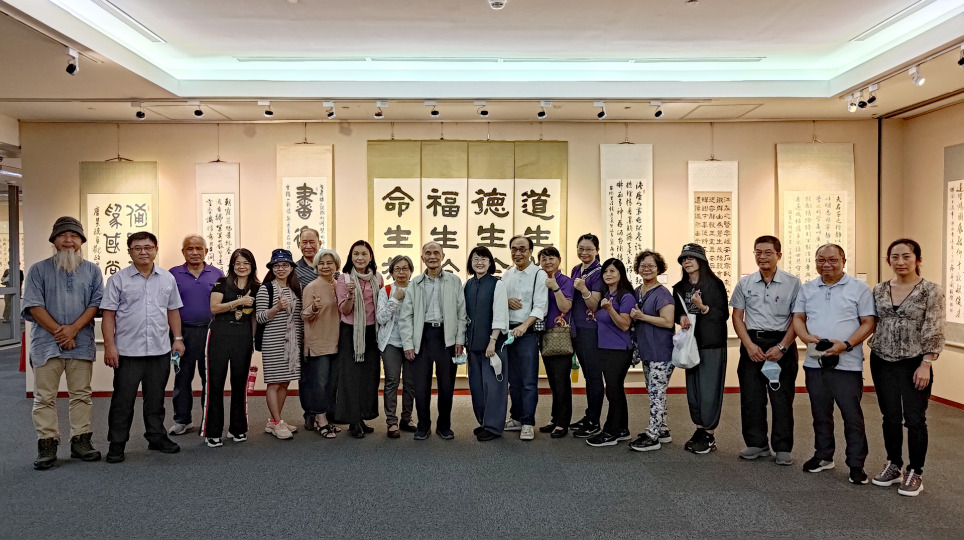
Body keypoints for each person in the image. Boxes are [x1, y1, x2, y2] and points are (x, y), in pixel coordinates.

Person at [23, 217, 103, 470]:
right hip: (45, 344)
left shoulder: (92, 271)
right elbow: (33, 305)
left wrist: (73, 330)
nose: (69, 240)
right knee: (44, 397)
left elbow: (95, 304)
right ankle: (47, 444)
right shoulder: (38, 270)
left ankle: (81, 441)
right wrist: (61, 333)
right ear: (54, 240)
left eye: (74, 236)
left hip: (81, 342)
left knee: (81, 395)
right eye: (63, 235)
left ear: (81, 241)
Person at [792, 243, 876, 485]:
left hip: (847, 364)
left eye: (832, 260)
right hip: (815, 362)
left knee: (852, 415)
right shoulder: (808, 288)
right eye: (821, 260)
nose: (826, 264)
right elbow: (798, 317)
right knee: (820, 412)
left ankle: (856, 464)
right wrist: (806, 337)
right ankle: (823, 455)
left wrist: (847, 344)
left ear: (843, 261)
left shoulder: (859, 288)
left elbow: (868, 322)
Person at [868, 239, 944, 496]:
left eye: (906, 256)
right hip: (882, 359)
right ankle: (894, 464)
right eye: (894, 257)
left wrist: (926, 363)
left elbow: (934, 328)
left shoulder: (930, 291)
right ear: (888, 260)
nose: (900, 262)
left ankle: (915, 471)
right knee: (889, 416)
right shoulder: (879, 289)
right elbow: (872, 322)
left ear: (917, 259)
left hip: (915, 361)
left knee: (915, 418)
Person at [102, 232, 185, 463]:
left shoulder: (167, 278)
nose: (143, 252)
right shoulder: (118, 280)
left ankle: (156, 436)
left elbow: (172, 310)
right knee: (123, 401)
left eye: (148, 247)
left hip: (159, 350)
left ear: (156, 249)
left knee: (156, 399)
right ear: (129, 252)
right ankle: (117, 443)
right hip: (128, 352)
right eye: (137, 248)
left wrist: (178, 339)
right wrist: (109, 346)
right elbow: (108, 315)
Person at [730, 236, 801, 465]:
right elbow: (737, 317)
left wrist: (782, 347)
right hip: (752, 344)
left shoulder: (793, 283)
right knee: (751, 397)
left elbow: (798, 318)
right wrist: (749, 346)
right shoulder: (745, 283)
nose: (762, 257)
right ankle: (756, 443)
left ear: (778, 255)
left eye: (768, 252)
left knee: (782, 399)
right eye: (758, 252)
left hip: (782, 345)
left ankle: (783, 447)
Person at [397, 241, 467, 441]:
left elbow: (462, 313)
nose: (432, 256)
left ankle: (444, 425)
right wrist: (408, 344)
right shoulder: (415, 283)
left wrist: (459, 339)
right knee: (421, 386)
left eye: (436, 252)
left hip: (447, 337)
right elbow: (406, 317)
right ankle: (423, 425)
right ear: (422, 258)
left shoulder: (454, 281)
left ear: (443, 256)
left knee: (446, 385)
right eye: (428, 253)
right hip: (422, 337)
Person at [672, 243, 729, 455]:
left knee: (709, 390)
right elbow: (677, 312)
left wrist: (703, 307)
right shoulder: (680, 287)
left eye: (691, 258)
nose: (686, 262)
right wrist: (681, 317)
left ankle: (709, 433)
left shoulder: (714, 284)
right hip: (691, 344)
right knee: (694, 391)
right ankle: (699, 429)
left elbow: (722, 315)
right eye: (683, 259)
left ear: (701, 261)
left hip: (711, 344)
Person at [201, 248, 260, 447]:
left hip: (243, 338)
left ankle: (238, 428)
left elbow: (254, 317)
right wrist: (238, 302)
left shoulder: (257, 287)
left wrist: (252, 339)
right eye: (238, 263)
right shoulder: (222, 283)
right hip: (219, 335)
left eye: (246, 263)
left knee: (240, 383)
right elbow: (214, 308)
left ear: (252, 266)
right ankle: (212, 431)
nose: (242, 267)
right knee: (215, 384)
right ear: (232, 265)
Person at [168, 235, 224, 436]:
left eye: (199, 248)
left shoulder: (217, 274)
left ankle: (209, 420)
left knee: (210, 378)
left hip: (211, 332)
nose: (194, 252)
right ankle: (182, 420)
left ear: (206, 251)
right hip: (182, 334)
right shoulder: (173, 274)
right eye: (190, 249)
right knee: (182, 377)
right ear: (183, 252)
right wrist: (176, 337)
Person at [627, 250, 676, 452]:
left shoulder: (663, 294)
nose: (647, 269)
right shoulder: (638, 291)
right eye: (643, 266)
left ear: (659, 269)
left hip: (661, 351)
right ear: (638, 268)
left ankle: (652, 436)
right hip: (647, 350)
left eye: (651, 266)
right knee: (655, 391)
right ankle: (662, 430)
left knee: (656, 393)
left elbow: (668, 321)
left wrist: (642, 317)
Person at [335, 240, 384, 439]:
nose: (360, 258)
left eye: (364, 254)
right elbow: (344, 310)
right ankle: (353, 421)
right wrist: (350, 296)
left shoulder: (377, 278)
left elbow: (381, 306)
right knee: (351, 377)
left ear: (370, 257)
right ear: (351, 257)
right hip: (351, 332)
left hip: (372, 332)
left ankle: (362, 416)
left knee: (368, 377)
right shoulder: (344, 279)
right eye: (356, 254)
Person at [501, 235, 548, 441]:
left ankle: (528, 422)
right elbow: (498, 300)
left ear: (530, 251)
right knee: (513, 380)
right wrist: (506, 300)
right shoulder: (507, 274)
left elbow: (540, 307)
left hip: (527, 333)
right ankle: (516, 417)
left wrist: (524, 326)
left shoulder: (539, 274)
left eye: (522, 249)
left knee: (529, 380)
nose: (517, 253)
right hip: (508, 333)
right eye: (514, 249)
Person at [585, 258, 635, 447]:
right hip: (605, 349)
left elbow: (624, 325)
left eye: (612, 271)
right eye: (605, 271)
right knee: (615, 390)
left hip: (619, 350)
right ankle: (622, 429)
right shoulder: (607, 294)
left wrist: (609, 309)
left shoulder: (626, 296)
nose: (608, 274)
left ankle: (610, 431)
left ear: (621, 273)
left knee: (613, 391)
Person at [256, 249, 304, 440]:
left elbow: (300, 317)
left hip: (292, 343)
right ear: (272, 268)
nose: (281, 268)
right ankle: (277, 422)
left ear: (291, 267)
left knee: (285, 381)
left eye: (285, 265)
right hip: (273, 341)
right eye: (276, 265)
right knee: (274, 382)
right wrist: (276, 308)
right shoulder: (266, 288)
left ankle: (275, 420)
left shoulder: (296, 287)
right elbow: (260, 317)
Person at [463, 247, 509, 442]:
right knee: (476, 386)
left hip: (492, 344)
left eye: (483, 259)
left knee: (494, 387)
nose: (479, 262)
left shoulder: (497, 284)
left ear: (490, 263)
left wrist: (493, 340)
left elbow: (500, 314)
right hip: (473, 344)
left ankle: (493, 426)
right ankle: (483, 421)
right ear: (470, 262)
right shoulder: (468, 284)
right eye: (476, 259)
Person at [301, 249, 343, 439]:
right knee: (320, 383)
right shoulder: (312, 287)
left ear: (336, 266)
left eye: (329, 263)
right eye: (321, 263)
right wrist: (313, 308)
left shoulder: (339, 286)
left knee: (331, 384)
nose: (325, 266)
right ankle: (320, 419)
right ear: (316, 267)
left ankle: (327, 417)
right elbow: (304, 315)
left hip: (337, 342)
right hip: (318, 342)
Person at [375, 255, 417, 438]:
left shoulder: (417, 289)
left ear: (411, 271)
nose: (401, 272)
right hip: (390, 342)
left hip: (412, 342)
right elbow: (380, 318)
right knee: (392, 380)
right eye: (397, 269)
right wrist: (395, 299)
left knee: (410, 382)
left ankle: (406, 418)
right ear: (391, 272)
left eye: (405, 268)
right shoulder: (386, 291)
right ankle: (391, 422)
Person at [570, 233, 606, 438]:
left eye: (589, 249)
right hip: (576, 329)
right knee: (587, 375)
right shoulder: (577, 269)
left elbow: (594, 305)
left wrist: (584, 289)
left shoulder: (599, 273)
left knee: (593, 376)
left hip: (591, 330)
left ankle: (594, 421)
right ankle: (589, 415)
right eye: (581, 248)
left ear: (597, 251)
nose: (584, 252)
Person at [537, 246, 574, 438]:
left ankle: (562, 422)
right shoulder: (539, 280)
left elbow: (565, 307)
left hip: (560, 335)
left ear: (559, 260)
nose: (547, 262)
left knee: (561, 381)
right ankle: (555, 418)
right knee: (553, 380)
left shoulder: (565, 281)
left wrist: (555, 288)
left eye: (551, 258)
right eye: (543, 259)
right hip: (543, 335)